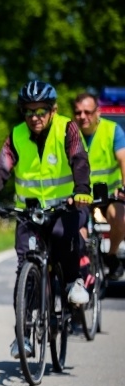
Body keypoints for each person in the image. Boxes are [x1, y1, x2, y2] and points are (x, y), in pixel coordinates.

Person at [0, 81, 91, 358]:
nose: (35, 117)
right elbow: (1, 169)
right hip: (29, 212)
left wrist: (82, 191)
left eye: (41, 111)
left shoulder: (67, 128)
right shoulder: (16, 135)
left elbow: (79, 159)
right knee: (26, 271)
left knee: (65, 238)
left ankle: (74, 281)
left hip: (65, 206)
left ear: (53, 110)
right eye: (28, 112)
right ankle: (23, 337)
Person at [72, 92, 125, 280]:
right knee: (77, 230)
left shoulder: (112, 131)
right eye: (78, 113)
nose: (83, 117)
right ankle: (83, 269)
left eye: (88, 112)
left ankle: (111, 256)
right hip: (81, 195)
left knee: (119, 217)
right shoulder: (70, 134)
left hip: (109, 193)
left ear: (98, 112)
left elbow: (123, 159)